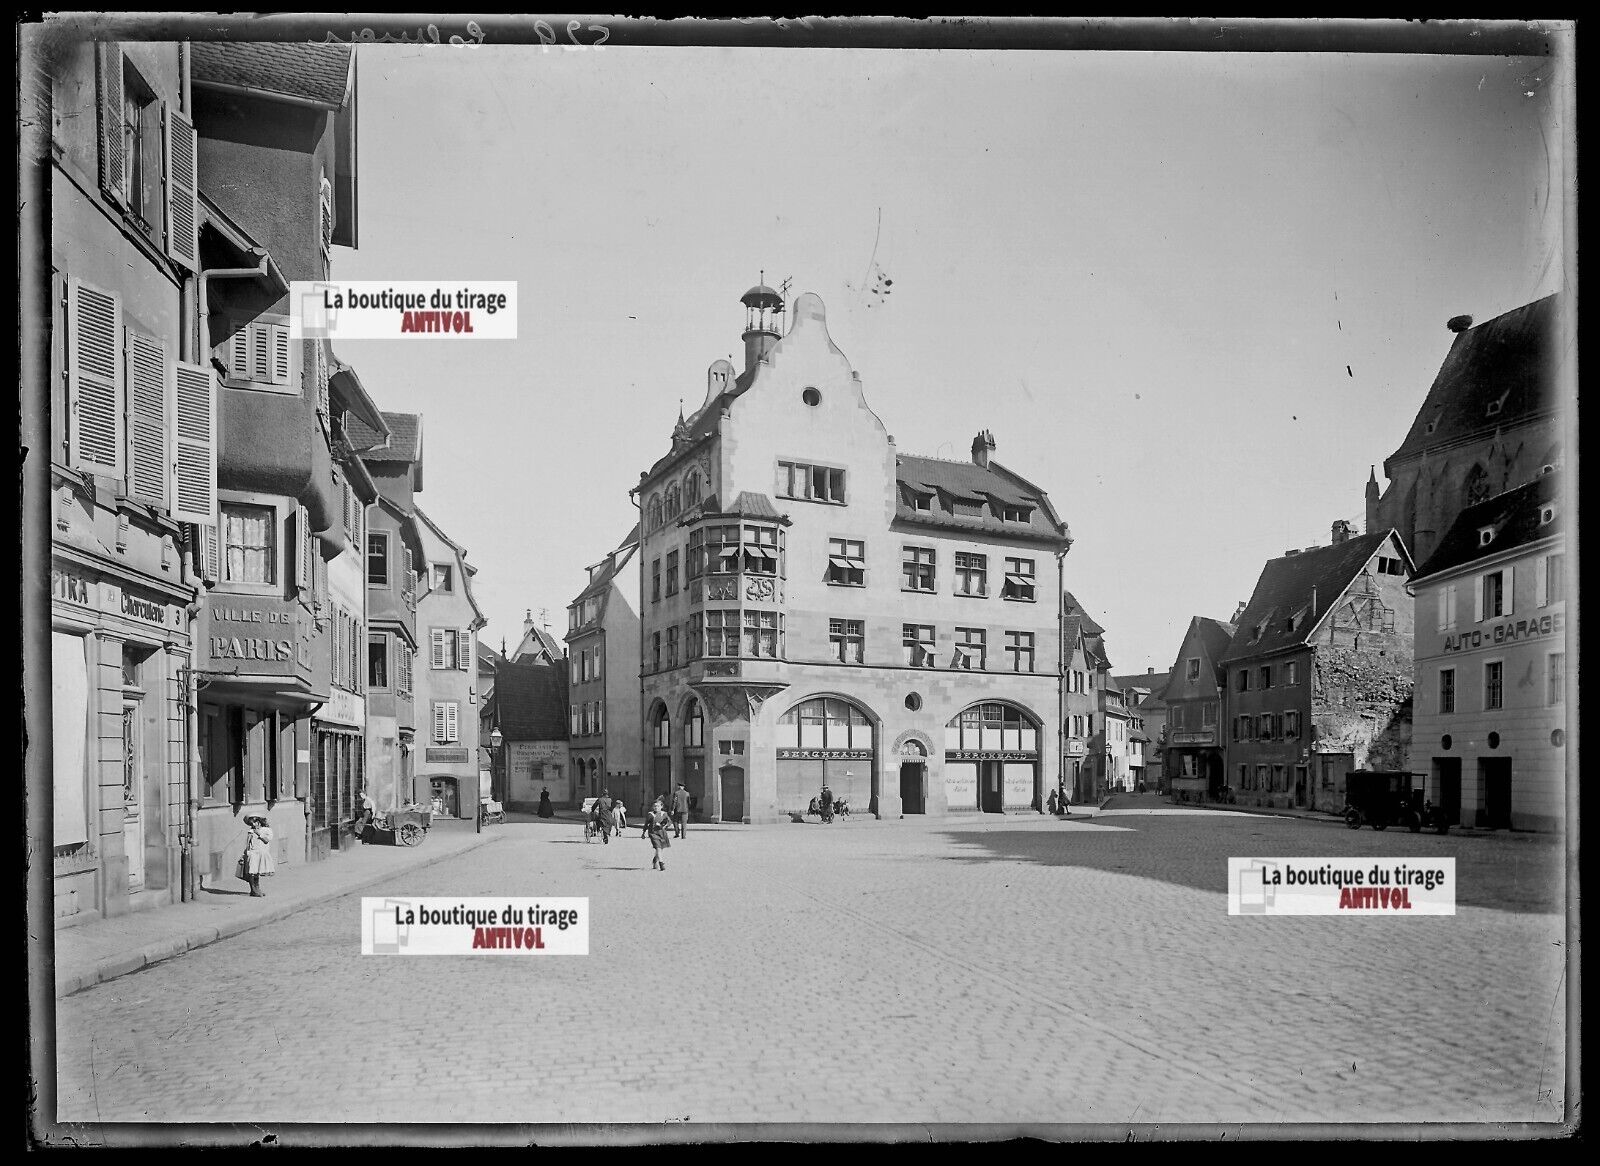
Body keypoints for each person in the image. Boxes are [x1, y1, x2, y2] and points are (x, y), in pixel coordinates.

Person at [241, 815, 276, 897]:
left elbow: (266, 840)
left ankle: (257, 889)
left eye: (255, 822)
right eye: (252, 823)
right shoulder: (251, 831)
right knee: (252, 872)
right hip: (253, 853)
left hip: (261, 853)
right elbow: (248, 843)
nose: (253, 824)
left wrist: (259, 834)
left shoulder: (267, 830)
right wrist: (245, 853)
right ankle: (253, 890)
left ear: (259, 822)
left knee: (257, 872)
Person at [646, 798, 672, 871]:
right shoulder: (650, 814)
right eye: (654, 806)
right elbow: (646, 823)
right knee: (658, 847)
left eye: (657, 806)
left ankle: (655, 860)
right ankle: (661, 863)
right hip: (653, 833)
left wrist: (664, 826)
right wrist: (643, 832)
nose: (656, 807)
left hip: (662, 833)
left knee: (660, 849)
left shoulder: (664, 814)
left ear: (661, 807)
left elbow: (669, 822)